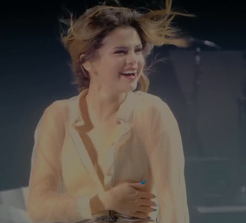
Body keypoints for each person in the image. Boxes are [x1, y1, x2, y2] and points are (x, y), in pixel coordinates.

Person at [27, 0, 193, 222]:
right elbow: (38, 208)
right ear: (88, 62)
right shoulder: (58, 116)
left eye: (137, 50)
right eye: (120, 52)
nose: (134, 60)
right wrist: (103, 202)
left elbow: (174, 206)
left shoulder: (152, 112)